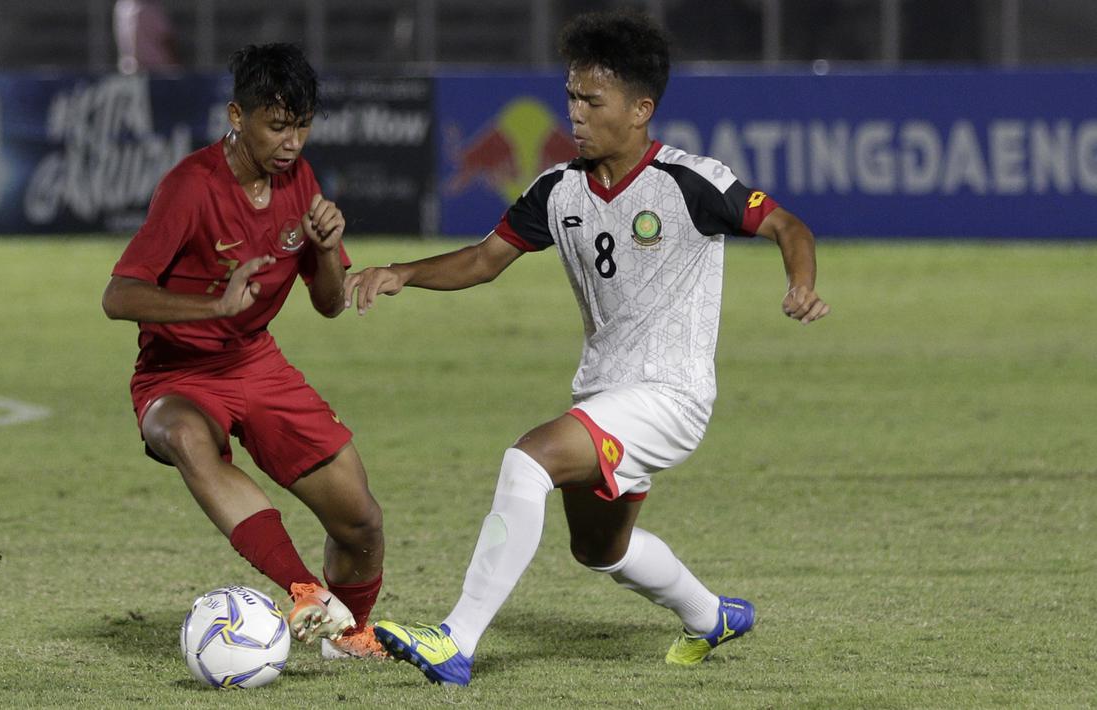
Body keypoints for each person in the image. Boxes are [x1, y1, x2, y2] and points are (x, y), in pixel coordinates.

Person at [344, 10, 830, 686]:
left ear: (639, 110)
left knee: (528, 459)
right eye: (570, 96)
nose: (572, 112)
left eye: (589, 100)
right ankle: (709, 615)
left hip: (671, 393)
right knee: (599, 548)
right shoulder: (558, 189)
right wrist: (401, 272)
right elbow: (484, 260)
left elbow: (784, 224)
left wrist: (799, 283)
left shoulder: (689, 182)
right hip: (604, 393)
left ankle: (454, 640)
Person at [101, 42, 385, 660]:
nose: (292, 142)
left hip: (255, 363)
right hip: (175, 374)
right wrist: (213, 308)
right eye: (278, 125)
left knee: (359, 520)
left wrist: (330, 251)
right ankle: (303, 588)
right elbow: (118, 296)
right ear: (237, 116)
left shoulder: (299, 180)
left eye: (302, 126)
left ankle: (351, 636)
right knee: (183, 436)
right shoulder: (190, 187)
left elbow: (329, 303)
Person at [113, 0, 179, 74]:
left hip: (129, 70)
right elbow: (166, 39)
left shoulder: (121, 6)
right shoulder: (149, 7)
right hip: (157, 71)